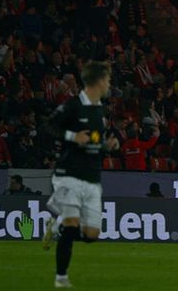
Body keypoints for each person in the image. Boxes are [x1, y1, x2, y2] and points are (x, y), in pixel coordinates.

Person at [42, 61, 114, 289]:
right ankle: (61, 278)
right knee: (73, 225)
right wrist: (72, 137)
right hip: (69, 174)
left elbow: (92, 141)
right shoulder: (73, 106)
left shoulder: (100, 109)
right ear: (99, 81)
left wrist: (106, 145)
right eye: (108, 79)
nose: (109, 83)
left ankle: (57, 228)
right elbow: (48, 126)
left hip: (92, 177)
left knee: (91, 234)